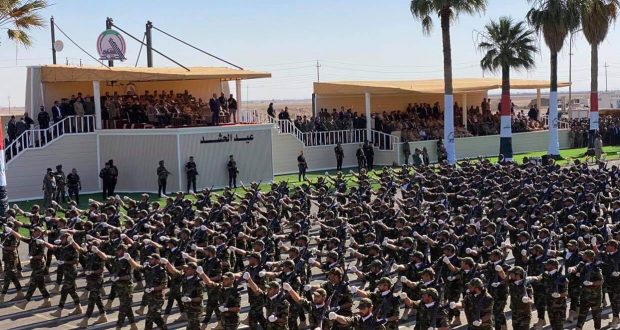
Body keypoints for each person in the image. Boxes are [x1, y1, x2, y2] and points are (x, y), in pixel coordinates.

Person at [91, 244, 139, 330]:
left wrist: (119, 277)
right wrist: (97, 251)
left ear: (124, 251)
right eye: (117, 250)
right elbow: (105, 257)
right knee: (127, 308)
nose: (117, 251)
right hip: (118, 287)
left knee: (122, 309)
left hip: (126, 288)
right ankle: (133, 326)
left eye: (119, 250)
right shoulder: (115, 259)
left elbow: (131, 273)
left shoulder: (127, 260)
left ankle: (118, 327)